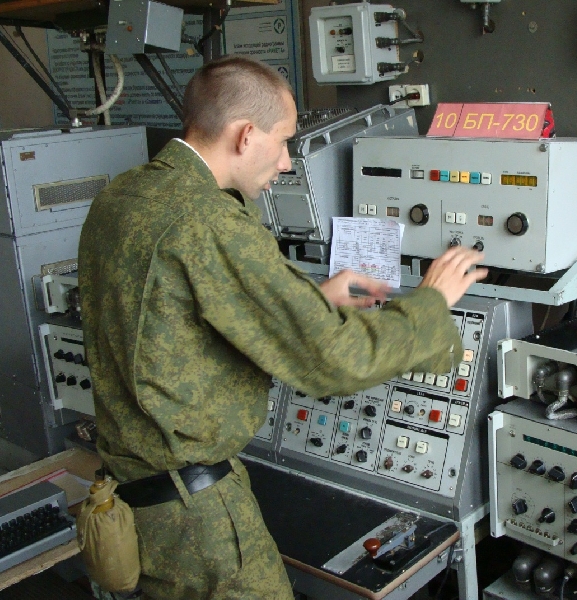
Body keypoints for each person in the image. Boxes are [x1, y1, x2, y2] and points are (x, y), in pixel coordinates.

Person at [78, 54, 487, 600]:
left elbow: (172, 322)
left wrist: (311, 298)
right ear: (246, 135)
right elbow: (335, 358)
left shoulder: (124, 197)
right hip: (198, 517)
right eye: (285, 140)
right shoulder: (209, 221)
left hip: (137, 496)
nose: (289, 162)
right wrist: (433, 302)